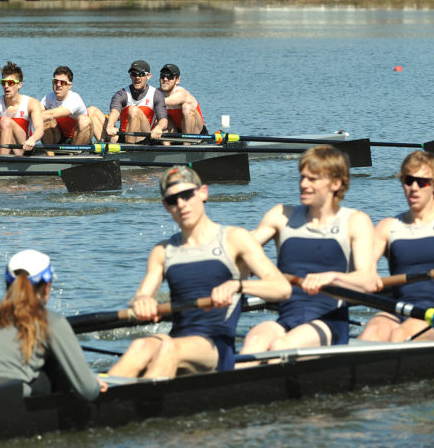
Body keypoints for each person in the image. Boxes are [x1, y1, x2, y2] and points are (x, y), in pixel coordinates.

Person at [107, 167, 290, 379]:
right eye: (173, 200)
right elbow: (141, 295)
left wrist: (238, 286)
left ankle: (129, 406)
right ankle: (97, 401)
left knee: (170, 349)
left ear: (203, 192)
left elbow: (282, 288)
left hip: (216, 347)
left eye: (187, 195)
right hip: (177, 340)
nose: (182, 204)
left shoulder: (234, 239)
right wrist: (140, 301)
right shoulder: (162, 251)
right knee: (140, 346)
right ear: (166, 206)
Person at [239, 146, 378, 356]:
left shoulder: (355, 221)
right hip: (287, 318)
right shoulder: (281, 216)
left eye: (313, 179)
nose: (303, 184)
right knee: (255, 340)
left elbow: (368, 281)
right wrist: (243, 261)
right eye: (302, 177)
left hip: (329, 322)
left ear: (336, 183)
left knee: (280, 347)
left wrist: (331, 277)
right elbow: (241, 247)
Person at [0, 250, 104, 400]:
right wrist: (93, 382)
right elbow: (89, 392)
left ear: (8, 285)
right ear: (47, 287)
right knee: (53, 368)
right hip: (7, 399)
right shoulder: (53, 322)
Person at [360, 151, 434, 343]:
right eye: (408, 180)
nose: (414, 188)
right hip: (399, 308)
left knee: (400, 335)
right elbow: (363, 271)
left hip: (431, 313)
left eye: (422, 182)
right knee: (372, 334)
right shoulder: (388, 227)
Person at [0, 61, 44, 155]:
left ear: (19, 85)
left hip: (22, 147)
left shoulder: (31, 103)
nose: (6, 86)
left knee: (5, 121)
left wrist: (33, 139)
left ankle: (1, 161)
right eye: (3, 82)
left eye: (10, 83)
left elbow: (39, 128)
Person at [101, 60, 169, 143]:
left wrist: (158, 128)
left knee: (134, 110)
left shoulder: (156, 95)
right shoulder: (122, 94)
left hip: (145, 136)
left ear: (148, 76)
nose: (137, 77)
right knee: (92, 111)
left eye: (141, 74)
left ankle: (129, 147)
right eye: (134, 74)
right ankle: (93, 148)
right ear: (130, 76)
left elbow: (163, 120)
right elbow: (114, 111)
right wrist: (110, 125)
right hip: (123, 136)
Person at [40, 65, 96, 146]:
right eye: (55, 81)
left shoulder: (75, 99)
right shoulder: (48, 97)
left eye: (63, 82)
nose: (58, 85)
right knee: (44, 120)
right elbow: (37, 112)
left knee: (85, 120)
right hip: (59, 136)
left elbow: (50, 114)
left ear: (70, 86)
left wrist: (30, 115)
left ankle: (75, 155)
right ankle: (50, 154)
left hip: (78, 138)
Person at [158, 63, 206, 135]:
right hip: (176, 130)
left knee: (187, 107)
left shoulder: (182, 93)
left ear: (177, 80)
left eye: (170, 77)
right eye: (163, 76)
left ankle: (187, 143)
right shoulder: (157, 93)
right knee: (161, 115)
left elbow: (162, 101)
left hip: (197, 132)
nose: (165, 79)